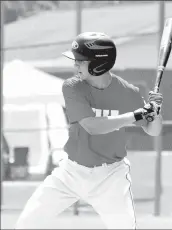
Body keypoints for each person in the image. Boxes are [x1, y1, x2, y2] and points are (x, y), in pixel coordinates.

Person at [15, 32, 163, 229]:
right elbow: (92, 126)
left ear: (99, 63)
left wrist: (156, 112)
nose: (75, 65)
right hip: (71, 172)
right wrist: (134, 115)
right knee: (26, 223)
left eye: (80, 61)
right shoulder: (73, 87)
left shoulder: (128, 93)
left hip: (111, 177)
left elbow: (153, 130)